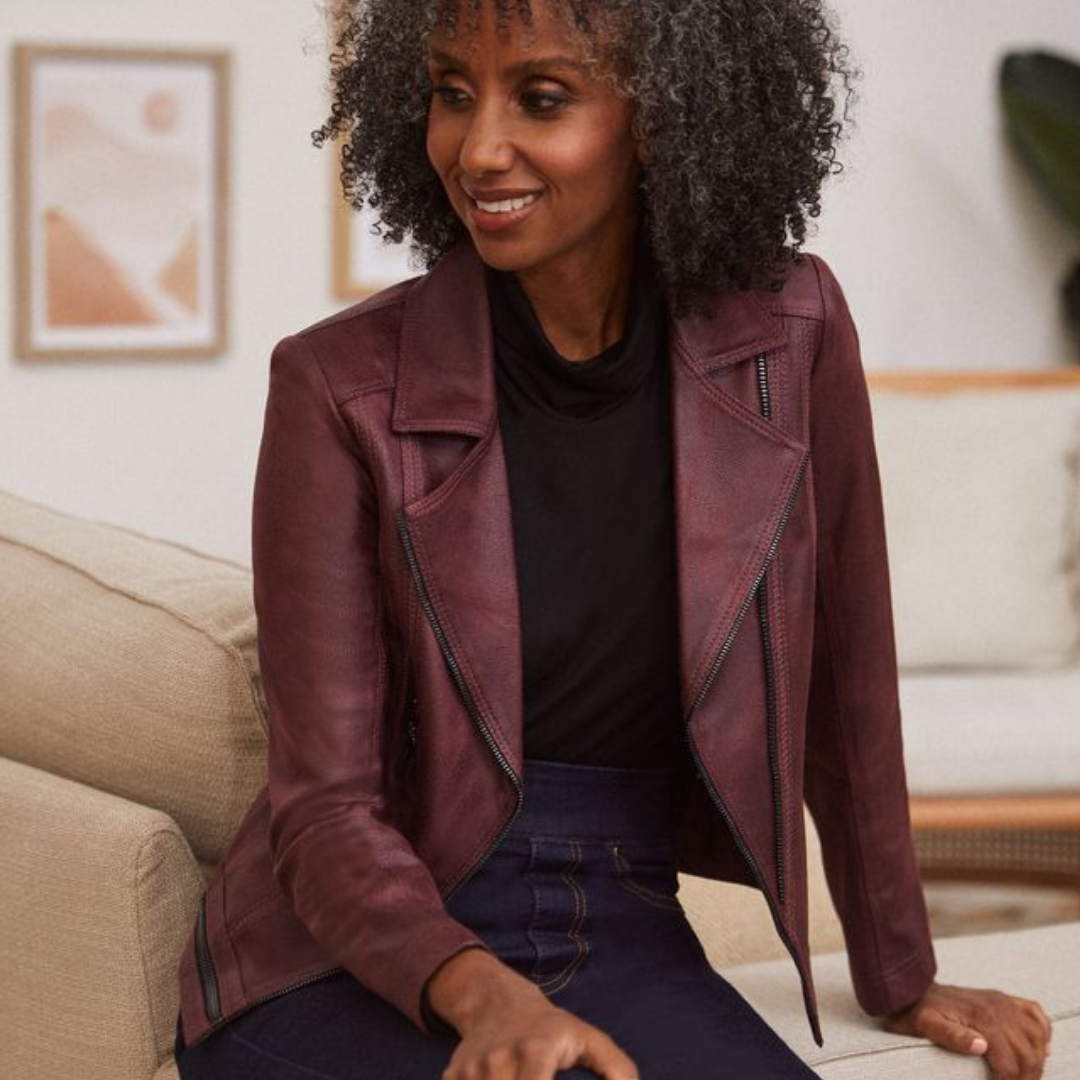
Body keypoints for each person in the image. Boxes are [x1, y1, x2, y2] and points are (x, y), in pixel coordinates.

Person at [173, 1, 1055, 1077]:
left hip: (622, 913)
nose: (479, 147)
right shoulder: (338, 386)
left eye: (541, 98)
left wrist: (902, 973)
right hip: (348, 953)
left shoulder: (792, 335)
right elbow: (327, 816)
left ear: (668, 117)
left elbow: (845, 687)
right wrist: (482, 996)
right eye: (453, 93)